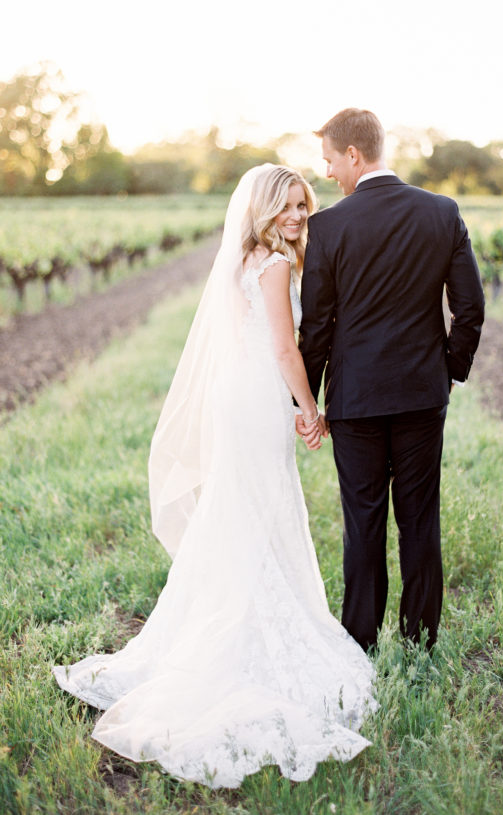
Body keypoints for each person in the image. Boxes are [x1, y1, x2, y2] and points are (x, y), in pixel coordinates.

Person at [53, 164, 376, 788]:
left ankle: (219, 613)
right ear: (263, 208)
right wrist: (310, 410)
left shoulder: (241, 258)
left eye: (303, 205)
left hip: (236, 395)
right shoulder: (275, 264)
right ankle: (242, 632)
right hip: (259, 400)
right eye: (286, 206)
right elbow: (283, 348)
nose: (297, 216)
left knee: (241, 508)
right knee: (260, 508)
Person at [298, 109, 485, 653]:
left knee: (363, 523)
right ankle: (420, 641)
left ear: (353, 154)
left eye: (330, 160)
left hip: (354, 399)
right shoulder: (441, 212)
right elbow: (470, 308)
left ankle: (360, 644)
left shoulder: (328, 227)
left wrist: (305, 401)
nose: (328, 172)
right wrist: (448, 372)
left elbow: (317, 327)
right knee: (420, 519)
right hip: (422, 395)